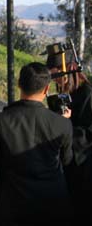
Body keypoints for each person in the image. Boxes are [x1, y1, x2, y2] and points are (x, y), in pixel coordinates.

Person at [0, 62, 73, 226]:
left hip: (13, 208)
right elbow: (67, 162)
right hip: (53, 207)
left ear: (19, 84)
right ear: (46, 89)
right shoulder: (62, 124)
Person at [44, 42, 92, 224]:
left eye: (58, 74)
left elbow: (89, 133)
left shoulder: (87, 94)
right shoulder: (63, 94)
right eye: (53, 76)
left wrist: (65, 127)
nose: (56, 79)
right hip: (64, 163)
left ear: (70, 69)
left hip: (83, 166)